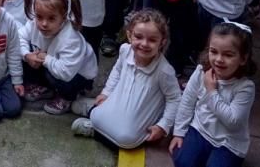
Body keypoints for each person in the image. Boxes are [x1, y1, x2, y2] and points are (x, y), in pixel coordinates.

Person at [71, 8, 181, 148]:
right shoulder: (125, 50)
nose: (144, 44)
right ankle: (93, 113)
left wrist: (163, 125)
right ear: (129, 35)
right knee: (96, 117)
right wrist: (106, 93)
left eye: (152, 40)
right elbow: (116, 72)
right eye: (138, 37)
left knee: (126, 139)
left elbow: (175, 99)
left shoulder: (164, 71)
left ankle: (94, 129)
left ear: (162, 42)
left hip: (141, 113)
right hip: (119, 101)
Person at [170, 22, 256, 167]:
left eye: (228, 55)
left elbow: (233, 122)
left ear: (243, 58)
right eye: (214, 51)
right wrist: (179, 132)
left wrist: (211, 91)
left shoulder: (245, 87)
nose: (219, 59)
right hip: (200, 129)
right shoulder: (201, 71)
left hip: (228, 141)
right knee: (182, 162)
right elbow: (187, 101)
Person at [20, 0, 98, 115]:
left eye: (51, 19)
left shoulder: (71, 39)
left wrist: (45, 58)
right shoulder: (34, 24)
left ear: (63, 17)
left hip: (77, 75)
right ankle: (46, 88)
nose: (44, 24)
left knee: (62, 78)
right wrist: (27, 55)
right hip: (51, 62)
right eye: (39, 17)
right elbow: (20, 37)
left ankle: (67, 97)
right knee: (25, 52)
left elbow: (66, 72)